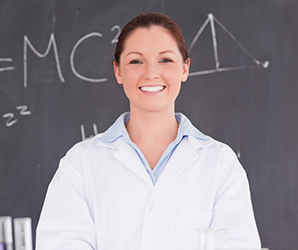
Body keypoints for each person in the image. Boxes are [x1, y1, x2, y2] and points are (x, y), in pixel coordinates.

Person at [36, 12, 261, 250]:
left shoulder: (220, 163)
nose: (151, 73)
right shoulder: (81, 163)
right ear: (118, 71)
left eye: (165, 60)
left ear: (185, 69)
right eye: (136, 61)